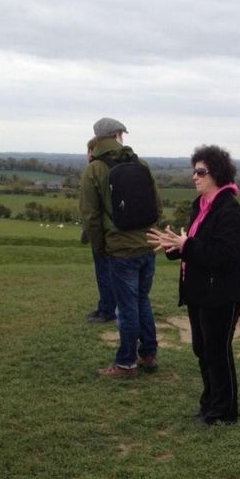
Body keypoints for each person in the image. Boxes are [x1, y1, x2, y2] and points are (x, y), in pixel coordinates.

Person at [148, 145, 240, 425]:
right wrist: (175, 247)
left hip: (223, 293)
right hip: (200, 291)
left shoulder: (228, 210)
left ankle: (224, 411)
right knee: (202, 350)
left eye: (200, 171)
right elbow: (196, 247)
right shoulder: (201, 206)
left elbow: (224, 254)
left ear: (216, 173)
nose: (194, 176)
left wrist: (187, 245)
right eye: (193, 171)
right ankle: (209, 404)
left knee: (217, 351)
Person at [80, 117, 161, 377]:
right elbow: (156, 207)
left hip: (120, 250)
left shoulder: (94, 170)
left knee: (126, 308)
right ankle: (148, 353)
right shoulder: (141, 164)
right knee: (142, 301)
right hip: (146, 246)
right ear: (117, 135)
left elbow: (91, 216)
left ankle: (126, 362)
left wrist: (100, 246)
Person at [82, 136, 117, 325]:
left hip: (104, 232)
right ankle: (106, 307)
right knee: (110, 274)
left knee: (104, 273)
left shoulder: (95, 169)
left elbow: (91, 211)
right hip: (119, 232)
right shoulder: (115, 168)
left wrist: (96, 242)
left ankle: (106, 310)